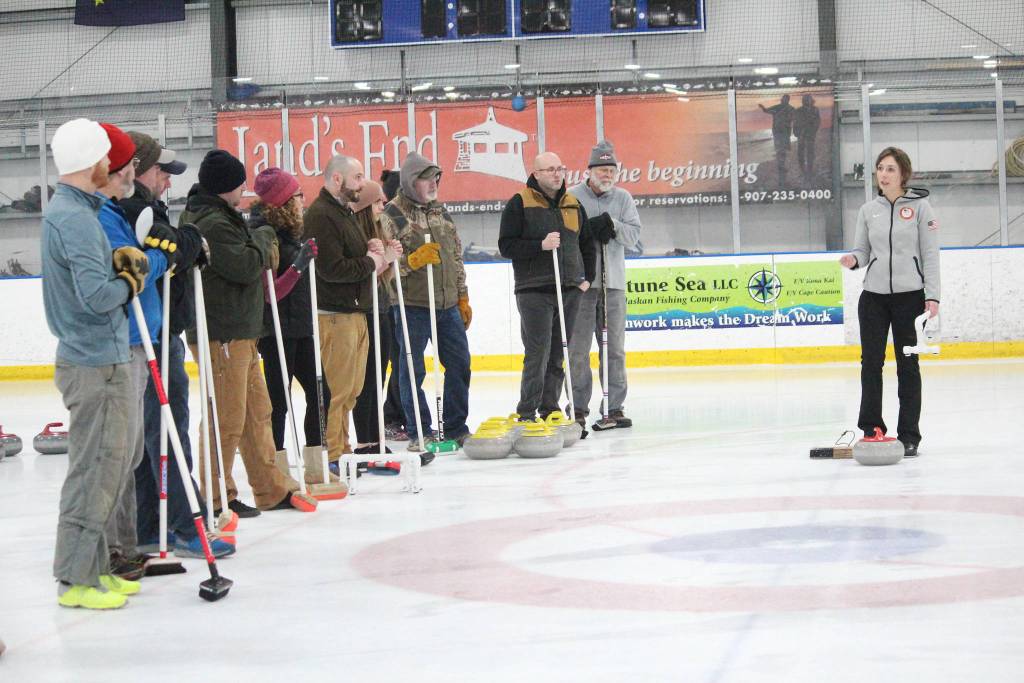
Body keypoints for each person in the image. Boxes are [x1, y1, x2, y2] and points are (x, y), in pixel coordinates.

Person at [42, 118, 147, 609]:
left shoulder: (76, 209)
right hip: (94, 362)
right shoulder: (77, 218)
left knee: (106, 470)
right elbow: (95, 297)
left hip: (95, 357)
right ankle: (77, 580)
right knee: (94, 471)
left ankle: (95, 569)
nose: (113, 164)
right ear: (91, 163)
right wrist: (130, 280)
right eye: (106, 156)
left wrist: (118, 261)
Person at [182, 150, 317, 515]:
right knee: (226, 418)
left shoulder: (223, 215)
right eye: (240, 182)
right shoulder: (212, 222)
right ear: (228, 185)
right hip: (222, 333)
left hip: (241, 331)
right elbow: (244, 265)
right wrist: (263, 236)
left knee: (257, 412)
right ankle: (216, 496)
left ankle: (270, 488)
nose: (245, 189)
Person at [119, 131, 233, 559]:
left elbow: (180, 243)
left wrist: (187, 242)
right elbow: (174, 245)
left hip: (161, 332)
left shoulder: (149, 208)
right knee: (167, 432)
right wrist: (189, 243)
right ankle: (186, 524)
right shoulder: (137, 209)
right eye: (160, 172)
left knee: (155, 433)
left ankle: (151, 524)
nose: (168, 181)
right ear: (136, 170)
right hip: (154, 336)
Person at [94, 124, 170, 580]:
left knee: (131, 453)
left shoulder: (117, 210)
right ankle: (110, 548)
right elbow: (133, 265)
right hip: (122, 343)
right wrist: (165, 256)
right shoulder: (103, 215)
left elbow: (139, 258)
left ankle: (122, 545)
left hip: (141, 340)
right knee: (119, 454)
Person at [839, 146, 940, 458]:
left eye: (890, 169)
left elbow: (930, 255)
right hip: (874, 299)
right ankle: (872, 428)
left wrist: (932, 295)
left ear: (903, 174)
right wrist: (853, 260)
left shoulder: (922, 209)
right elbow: (863, 251)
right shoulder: (869, 210)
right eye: (881, 168)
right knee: (871, 364)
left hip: (910, 299)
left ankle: (909, 435)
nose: (883, 174)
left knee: (908, 366)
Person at [304, 155, 395, 469]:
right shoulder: (320, 215)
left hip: (355, 312)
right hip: (334, 314)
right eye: (357, 178)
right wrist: (370, 261)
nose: (362, 184)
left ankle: (341, 449)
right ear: (337, 179)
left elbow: (352, 257)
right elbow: (331, 268)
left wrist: (371, 250)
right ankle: (331, 453)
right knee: (337, 390)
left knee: (352, 389)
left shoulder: (342, 213)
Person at [380, 153, 473, 454]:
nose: (434, 183)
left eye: (436, 178)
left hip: (446, 305)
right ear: (410, 181)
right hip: (411, 304)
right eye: (426, 178)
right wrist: (413, 261)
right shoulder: (391, 214)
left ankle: (456, 427)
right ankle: (419, 429)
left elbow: (455, 257)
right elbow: (384, 266)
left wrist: (462, 295)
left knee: (459, 364)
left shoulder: (440, 213)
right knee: (412, 369)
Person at [499, 151, 597, 423]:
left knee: (558, 353)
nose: (557, 174)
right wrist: (539, 246)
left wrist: (585, 279)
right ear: (537, 173)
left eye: (560, 168)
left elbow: (587, 244)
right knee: (537, 353)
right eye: (551, 169)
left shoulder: (573, 204)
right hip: (534, 290)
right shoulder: (520, 203)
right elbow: (506, 245)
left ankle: (550, 408)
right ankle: (527, 412)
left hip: (568, 289)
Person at [251, 168, 325, 461]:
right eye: (297, 195)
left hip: (301, 327)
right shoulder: (266, 236)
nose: (302, 200)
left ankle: (315, 462)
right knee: (278, 403)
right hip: (277, 331)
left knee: (321, 395)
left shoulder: (293, 233)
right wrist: (298, 265)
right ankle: (275, 465)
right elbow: (269, 293)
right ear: (283, 201)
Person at [568, 141, 642, 429]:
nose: (608, 174)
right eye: (602, 169)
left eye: (612, 169)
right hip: (583, 285)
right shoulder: (572, 197)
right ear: (590, 170)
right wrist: (587, 230)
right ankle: (577, 406)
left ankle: (614, 406)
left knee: (614, 348)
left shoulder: (623, 199)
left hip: (613, 285)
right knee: (578, 348)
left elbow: (633, 236)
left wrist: (613, 224)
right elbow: (567, 235)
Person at [350, 180, 404, 456]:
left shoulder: (380, 229)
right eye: (379, 202)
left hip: (381, 306)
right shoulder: (357, 235)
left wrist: (391, 261)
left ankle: (375, 437)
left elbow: (382, 278)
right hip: (364, 311)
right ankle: (365, 440)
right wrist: (385, 259)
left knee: (379, 374)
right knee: (366, 378)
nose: (384, 206)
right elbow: (362, 273)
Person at [379, 169, 408, 441]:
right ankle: (393, 415)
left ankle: (395, 413)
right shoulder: (390, 216)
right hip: (390, 301)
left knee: (403, 360)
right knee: (400, 360)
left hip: (401, 300)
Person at [759, 94, 795, 187]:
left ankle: (781, 165)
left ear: (787, 100)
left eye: (784, 99)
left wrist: (763, 108)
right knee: (781, 150)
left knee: (781, 150)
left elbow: (766, 111)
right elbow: (766, 110)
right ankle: (781, 165)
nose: (782, 100)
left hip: (782, 132)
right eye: (782, 99)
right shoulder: (790, 108)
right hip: (780, 132)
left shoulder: (787, 108)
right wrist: (763, 108)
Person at [794, 94, 820, 178]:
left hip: (810, 135)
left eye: (808, 99)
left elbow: (817, 121)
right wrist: (797, 133)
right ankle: (803, 171)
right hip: (801, 135)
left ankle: (809, 171)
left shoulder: (815, 110)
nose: (805, 101)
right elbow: (795, 123)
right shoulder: (798, 110)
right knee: (800, 154)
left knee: (810, 153)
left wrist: (813, 132)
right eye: (804, 100)